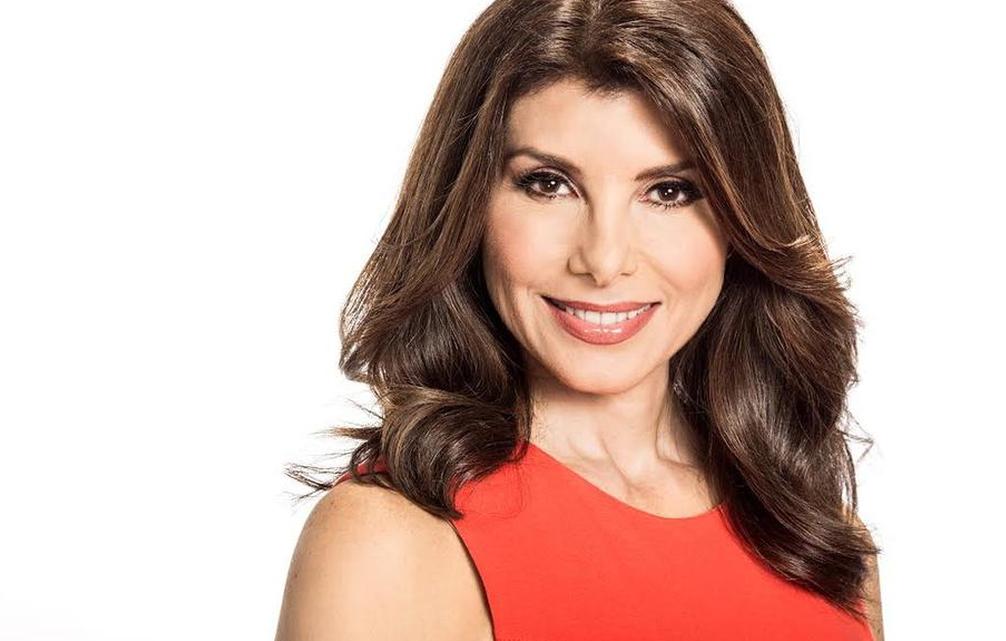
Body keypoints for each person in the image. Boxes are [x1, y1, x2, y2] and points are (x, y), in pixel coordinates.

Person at [275, 1, 882, 639]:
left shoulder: (816, 537)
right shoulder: (390, 544)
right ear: (470, 204)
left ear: (742, 221)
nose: (604, 259)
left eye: (669, 191)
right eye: (548, 184)